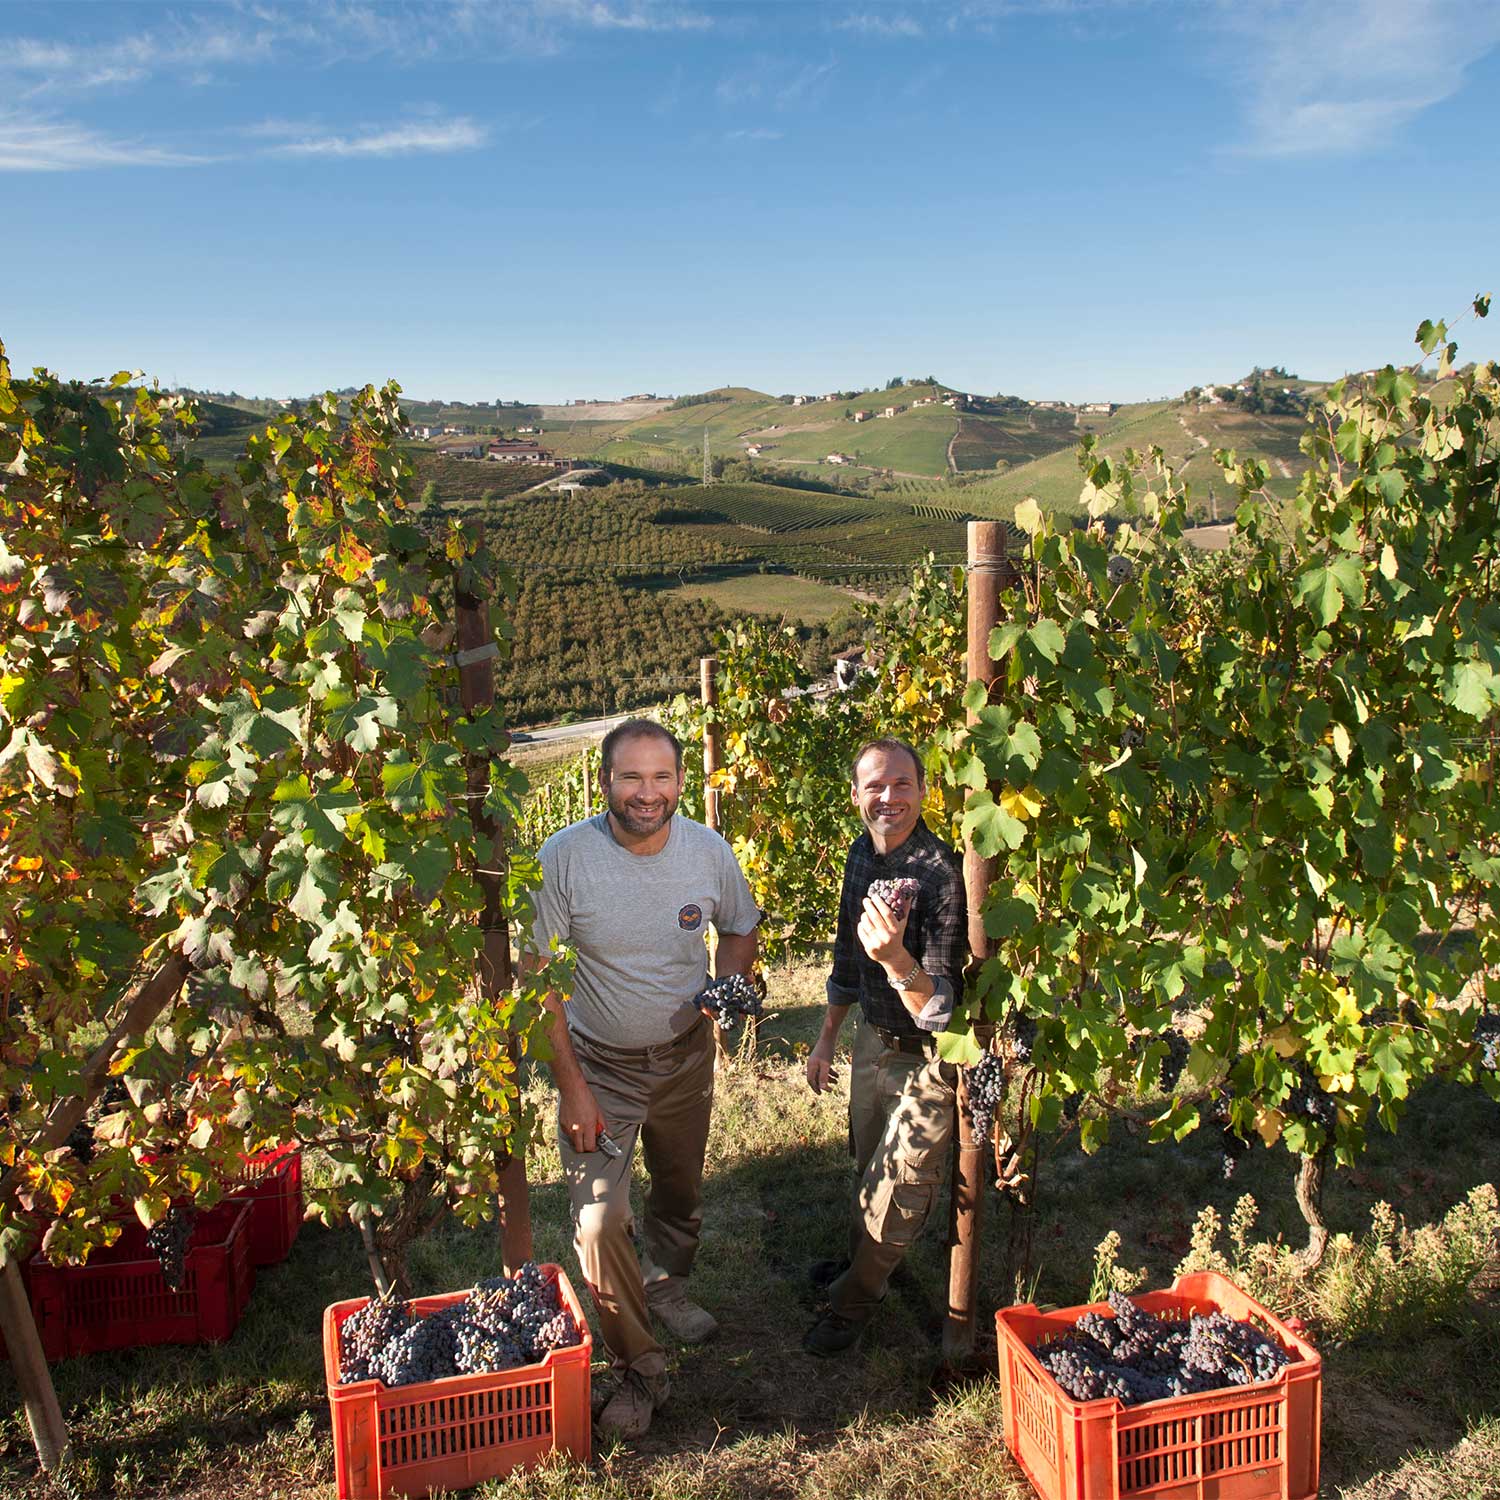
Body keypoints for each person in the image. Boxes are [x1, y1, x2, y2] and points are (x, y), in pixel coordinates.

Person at [525, 718, 760, 1437]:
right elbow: (537, 979)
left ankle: (666, 1283)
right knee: (598, 1222)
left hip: (686, 1056)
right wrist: (572, 1087)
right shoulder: (565, 859)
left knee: (682, 1189)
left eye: (661, 777)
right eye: (631, 776)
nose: (646, 792)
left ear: (681, 783)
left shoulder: (707, 851)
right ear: (603, 782)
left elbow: (741, 926)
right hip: (600, 1066)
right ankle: (639, 1365)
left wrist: (727, 989)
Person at [802, 736, 967, 1357]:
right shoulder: (858, 856)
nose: (889, 796)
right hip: (871, 1040)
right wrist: (825, 1038)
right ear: (855, 797)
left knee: (900, 1186)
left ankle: (852, 1306)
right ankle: (856, 1267)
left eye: (902, 784)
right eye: (875, 786)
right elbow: (847, 958)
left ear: (924, 791)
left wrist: (896, 957)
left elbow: (939, 1009)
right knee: (869, 1164)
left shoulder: (940, 874)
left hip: (928, 1056)